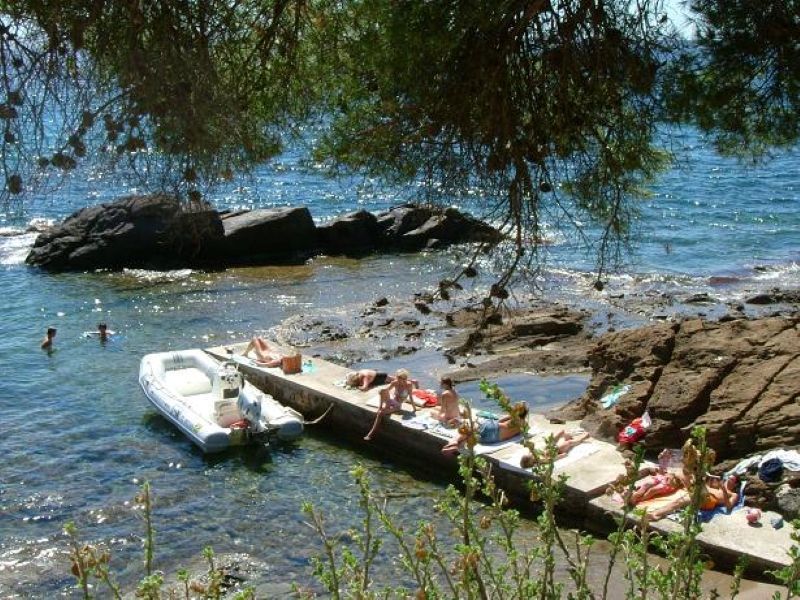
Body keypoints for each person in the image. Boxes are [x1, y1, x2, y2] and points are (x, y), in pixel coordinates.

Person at [441, 402, 528, 454]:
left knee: (471, 425)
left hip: (492, 429)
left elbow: (500, 423)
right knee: (472, 433)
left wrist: (484, 422)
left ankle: (454, 442)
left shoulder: (514, 420)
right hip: (491, 440)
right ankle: (458, 445)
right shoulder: (523, 424)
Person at [648, 473, 739, 521]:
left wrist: (723, 490)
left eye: (731, 480)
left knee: (692, 485)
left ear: (735, 484)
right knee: (679, 501)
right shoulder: (717, 485)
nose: (728, 480)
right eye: (728, 478)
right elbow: (707, 486)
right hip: (701, 495)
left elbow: (729, 506)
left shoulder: (733, 494)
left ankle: (690, 483)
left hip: (710, 500)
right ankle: (656, 513)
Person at [363, 369, 417, 441]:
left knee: (380, 413)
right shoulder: (395, 382)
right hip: (391, 401)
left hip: (397, 405)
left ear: (405, 378)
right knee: (382, 391)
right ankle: (381, 407)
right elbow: (386, 391)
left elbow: (410, 397)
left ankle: (371, 433)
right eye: (398, 377)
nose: (398, 379)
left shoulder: (409, 385)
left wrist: (414, 408)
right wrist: (380, 406)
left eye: (401, 378)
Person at [519, 430, 590, 467]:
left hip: (549, 446)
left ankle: (567, 436)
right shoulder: (539, 460)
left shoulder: (531, 453)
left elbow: (530, 446)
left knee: (562, 433)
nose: (531, 455)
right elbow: (550, 460)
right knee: (569, 442)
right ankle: (584, 437)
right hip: (556, 450)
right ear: (531, 461)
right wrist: (561, 456)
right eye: (531, 457)